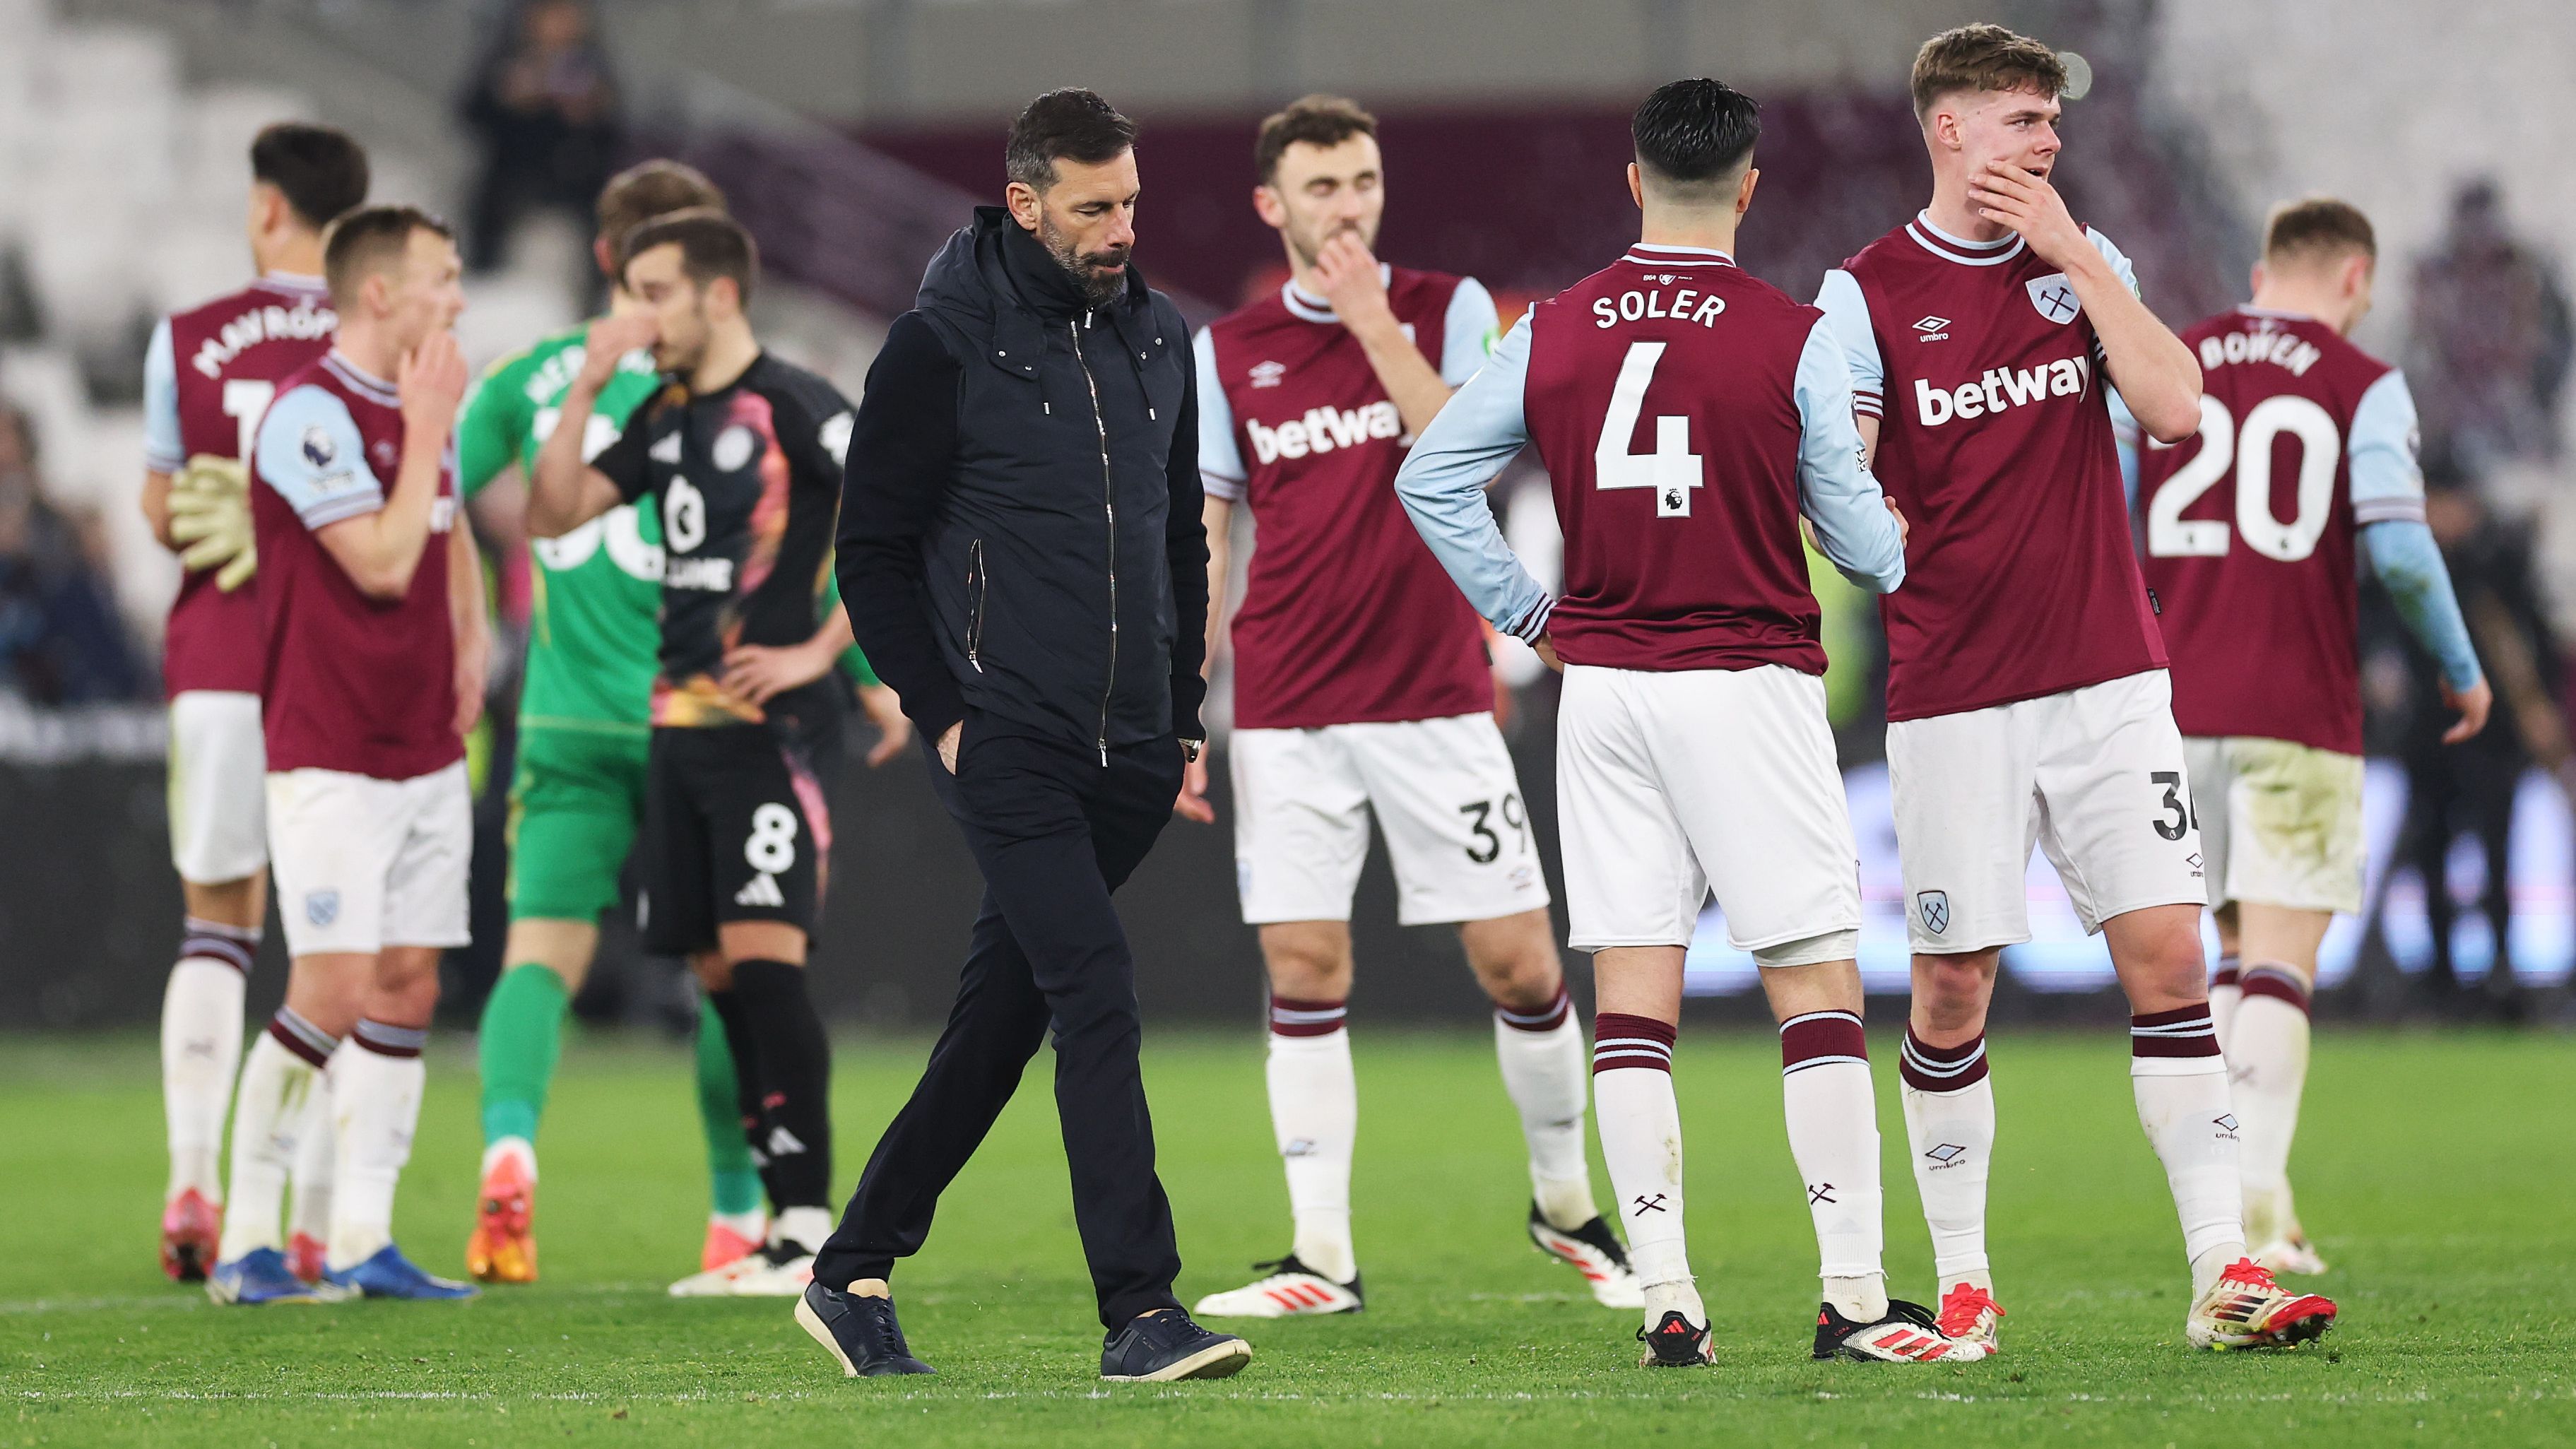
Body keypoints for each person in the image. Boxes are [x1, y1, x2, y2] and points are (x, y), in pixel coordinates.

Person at [1396, 76, 1980, 1368]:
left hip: (1604, 693)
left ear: (1633, 181)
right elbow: (1864, 542)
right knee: (1816, 986)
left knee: (1633, 996)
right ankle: (1855, 1299)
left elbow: (1429, 477)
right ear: (1752, 187)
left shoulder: (1553, 326)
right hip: (1744, 680)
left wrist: (1532, 615)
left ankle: (1667, 1296)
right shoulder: (1792, 334)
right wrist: (1895, 521)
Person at [1810, 23, 2334, 1352]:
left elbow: (2175, 410)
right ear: (1951, 131)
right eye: (2023, 120)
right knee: (1950, 987)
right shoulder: (1863, 292)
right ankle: (1968, 1282)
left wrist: (2078, 259)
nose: (2048, 142)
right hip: (1955, 691)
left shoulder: (2081, 268)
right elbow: (1847, 492)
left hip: (2110, 678)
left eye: (2052, 123)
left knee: (2167, 958)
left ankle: (2224, 1270)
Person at [803, 89, 1249, 1383]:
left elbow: (1178, 540)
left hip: (1131, 747)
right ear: (1026, 201)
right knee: (1095, 990)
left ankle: (850, 1270)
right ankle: (1140, 1309)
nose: (1121, 228)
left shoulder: (1161, 338)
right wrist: (942, 713)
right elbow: (870, 553)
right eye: (1095, 207)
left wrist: (1181, 719)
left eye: (1131, 203)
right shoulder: (937, 346)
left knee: (1000, 1021)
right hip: (1006, 738)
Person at [1185, 94, 1637, 1320]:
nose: (1348, 206)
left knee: (1519, 961)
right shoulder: (1226, 352)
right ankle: (1320, 1253)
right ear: (1273, 204)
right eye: (1322, 188)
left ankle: (1564, 1205)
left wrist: (1377, 323)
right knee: (1302, 956)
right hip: (1284, 704)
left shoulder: (1450, 308)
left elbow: (1466, 457)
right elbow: (1211, 534)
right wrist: (1190, 697)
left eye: (1363, 182)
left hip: (1435, 692)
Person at [459, 160, 907, 1287]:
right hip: (673, 733)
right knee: (713, 974)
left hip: (763, 731)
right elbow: (551, 511)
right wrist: (583, 392)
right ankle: (754, 1223)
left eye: (658, 290)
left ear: (714, 292)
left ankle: (799, 1219)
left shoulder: (801, 404)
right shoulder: (660, 416)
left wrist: (826, 654)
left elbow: (897, 525)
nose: (638, 309)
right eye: (633, 286)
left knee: (759, 967)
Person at [2132, 198, 2490, 1277]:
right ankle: (2244, 1209)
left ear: (2258, 270)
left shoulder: (2174, 354)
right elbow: (2396, 545)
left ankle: (2266, 1199)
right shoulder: (2359, 379)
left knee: (2235, 954)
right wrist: (2460, 665)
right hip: (2295, 707)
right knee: (2283, 963)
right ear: (2352, 278)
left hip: (2167, 705)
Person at [211, 204, 488, 1305]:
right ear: (381, 293)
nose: (458, 298)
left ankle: (363, 1235)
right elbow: (376, 558)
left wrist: (472, 642)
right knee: (330, 985)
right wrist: (426, 425)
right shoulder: (304, 414)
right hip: (328, 747)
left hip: (423, 744)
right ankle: (246, 1238)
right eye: (443, 277)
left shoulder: (428, 408)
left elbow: (444, 528)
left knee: (410, 982)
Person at [138, 122, 368, 1286]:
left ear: (267, 207)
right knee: (335, 946)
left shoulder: (188, 337)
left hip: (220, 663)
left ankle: (192, 1175)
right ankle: (317, 1217)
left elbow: (162, 508)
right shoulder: (370, 341)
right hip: (335, 677)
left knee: (215, 924)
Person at [459, 0, 620, 274]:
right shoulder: (509, 59)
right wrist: (507, 100)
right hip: (510, 181)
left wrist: (588, 113)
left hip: (573, 185)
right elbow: (470, 113)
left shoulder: (593, 67)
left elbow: (615, 133)